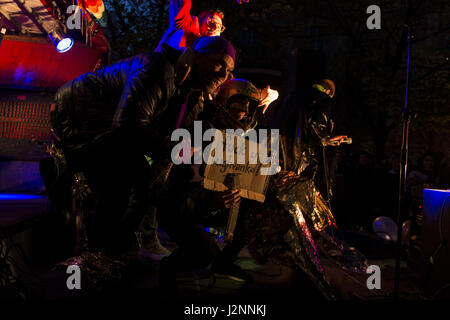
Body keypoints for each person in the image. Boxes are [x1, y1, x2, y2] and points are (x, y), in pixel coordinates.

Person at [48, 37, 235, 257]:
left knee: (139, 183)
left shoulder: (191, 91)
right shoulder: (158, 70)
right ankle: (103, 257)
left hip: (109, 123)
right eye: (218, 64)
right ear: (196, 57)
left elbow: (176, 140)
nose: (223, 75)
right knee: (123, 184)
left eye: (229, 70)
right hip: (76, 111)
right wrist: (175, 149)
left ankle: (111, 253)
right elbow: (128, 125)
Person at [156, 0, 250, 52]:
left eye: (219, 26)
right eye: (210, 22)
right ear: (199, 23)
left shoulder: (215, 56)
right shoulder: (187, 27)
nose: (214, 28)